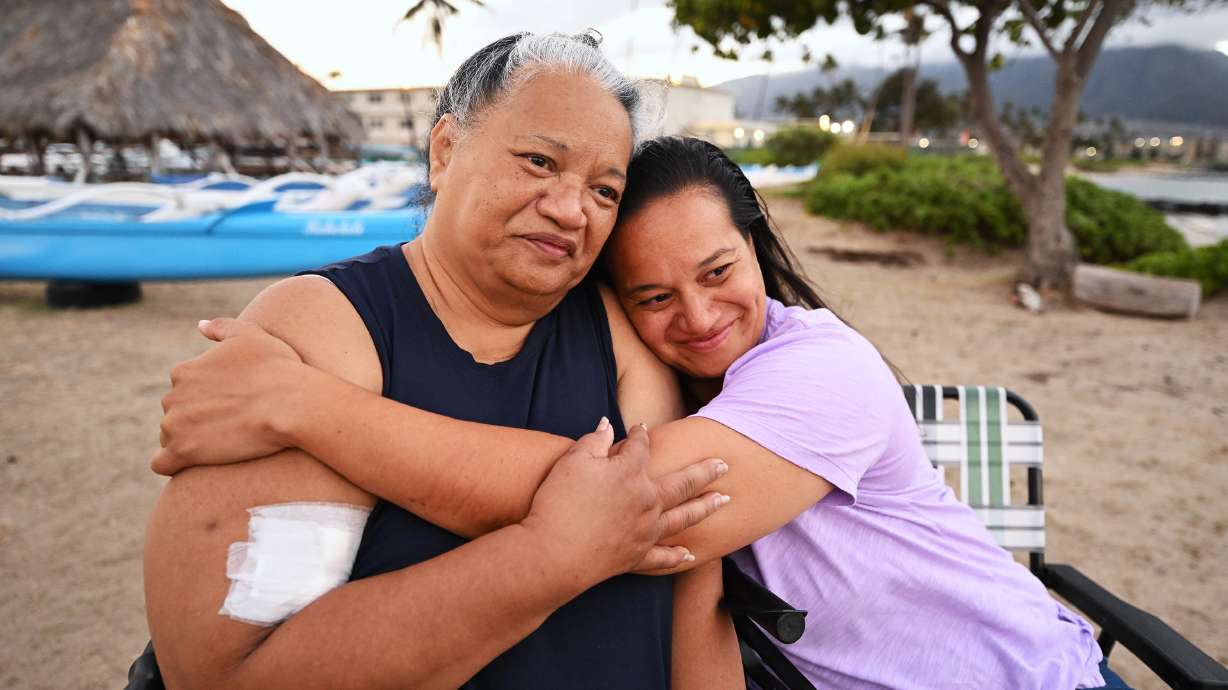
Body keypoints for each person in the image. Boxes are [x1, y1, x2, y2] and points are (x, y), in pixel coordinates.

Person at [158, 136, 1137, 689]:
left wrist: (305, 406)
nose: (700, 317)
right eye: (652, 298)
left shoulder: (822, 370)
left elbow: (613, 503)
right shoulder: (685, 398)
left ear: (757, 244)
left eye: (717, 272)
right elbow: (695, 592)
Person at [142, 35, 743, 690]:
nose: (571, 210)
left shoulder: (619, 330)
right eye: (540, 162)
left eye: (604, 191)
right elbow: (221, 673)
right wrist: (548, 555)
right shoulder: (325, 328)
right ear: (444, 151)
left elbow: (689, 568)